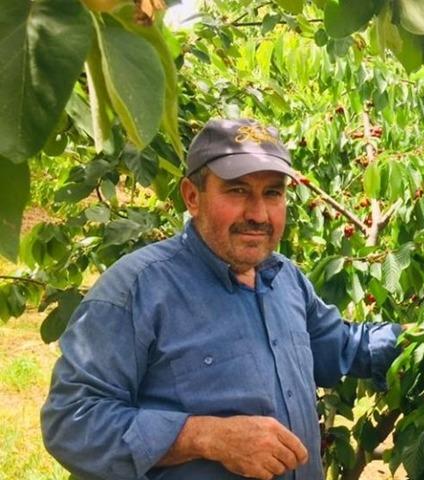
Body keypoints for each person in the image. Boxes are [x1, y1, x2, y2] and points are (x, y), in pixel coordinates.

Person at [41, 118, 403, 480]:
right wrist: (204, 436)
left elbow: (342, 346)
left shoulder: (285, 279)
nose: (258, 215)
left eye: (273, 193)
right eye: (238, 191)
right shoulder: (139, 290)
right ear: (192, 196)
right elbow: (71, 422)